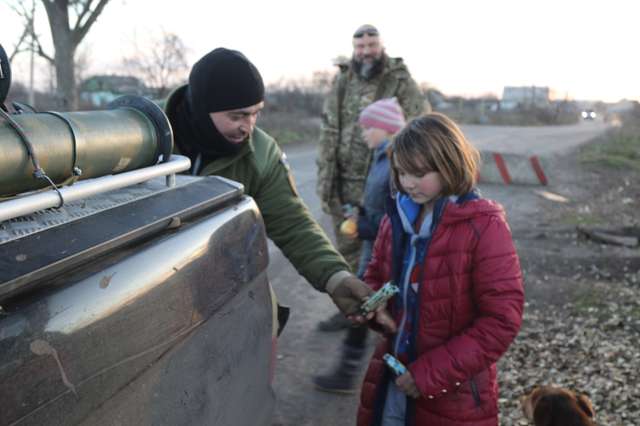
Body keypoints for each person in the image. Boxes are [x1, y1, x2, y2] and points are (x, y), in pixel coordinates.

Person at [163, 47, 395, 327]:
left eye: (255, 114)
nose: (247, 127)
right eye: (236, 117)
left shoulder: (261, 154)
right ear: (201, 108)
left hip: (219, 293)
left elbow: (293, 223)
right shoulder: (143, 137)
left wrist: (336, 277)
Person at [357, 113, 524, 425]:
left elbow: (502, 320)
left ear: (450, 163)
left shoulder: (484, 227)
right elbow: (376, 276)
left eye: (419, 173)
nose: (407, 183)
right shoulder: (394, 221)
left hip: (454, 396)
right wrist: (373, 307)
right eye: (402, 172)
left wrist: (429, 375)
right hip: (390, 380)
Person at [316, 24, 428, 332]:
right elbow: (329, 127)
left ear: (381, 46)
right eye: (361, 46)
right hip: (345, 181)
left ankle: (380, 314)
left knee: (379, 252)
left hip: (382, 181)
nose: (366, 51)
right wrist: (326, 174)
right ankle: (352, 311)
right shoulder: (343, 79)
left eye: (372, 45)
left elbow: (420, 121)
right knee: (347, 247)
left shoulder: (399, 80)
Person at [314, 97, 405, 393]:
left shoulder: (395, 163)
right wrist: (360, 212)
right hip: (373, 249)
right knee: (369, 309)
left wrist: (363, 226)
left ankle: (350, 374)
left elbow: (397, 219)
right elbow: (380, 207)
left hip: (386, 254)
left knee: (366, 308)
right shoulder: (381, 156)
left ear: (385, 128)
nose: (364, 133)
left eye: (368, 127)